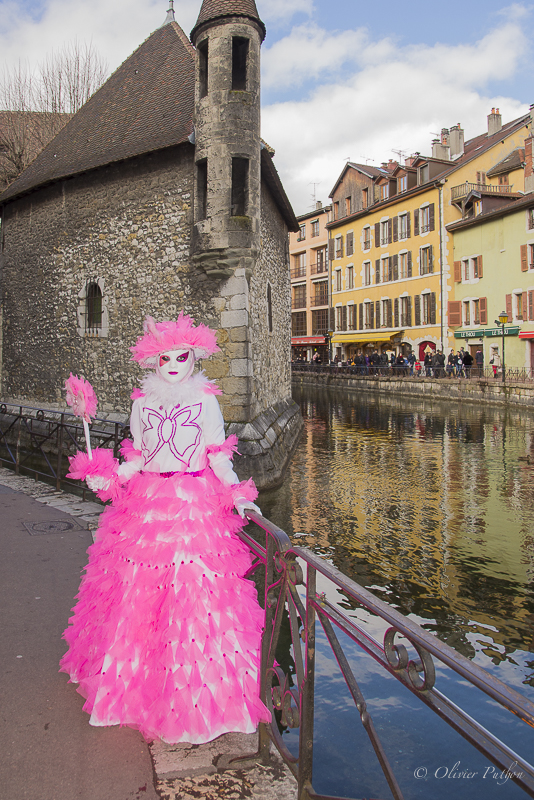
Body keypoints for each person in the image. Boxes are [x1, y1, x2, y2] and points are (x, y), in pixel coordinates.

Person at [60, 314, 270, 744]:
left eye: (182, 356)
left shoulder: (207, 401)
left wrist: (237, 493)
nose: (173, 363)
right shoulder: (142, 404)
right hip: (148, 505)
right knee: (139, 597)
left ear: (194, 358)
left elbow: (217, 454)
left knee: (196, 599)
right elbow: (137, 454)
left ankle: (202, 704)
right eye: (165, 357)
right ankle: (134, 693)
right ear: (152, 360)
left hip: (196, 505)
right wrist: (111, 477)